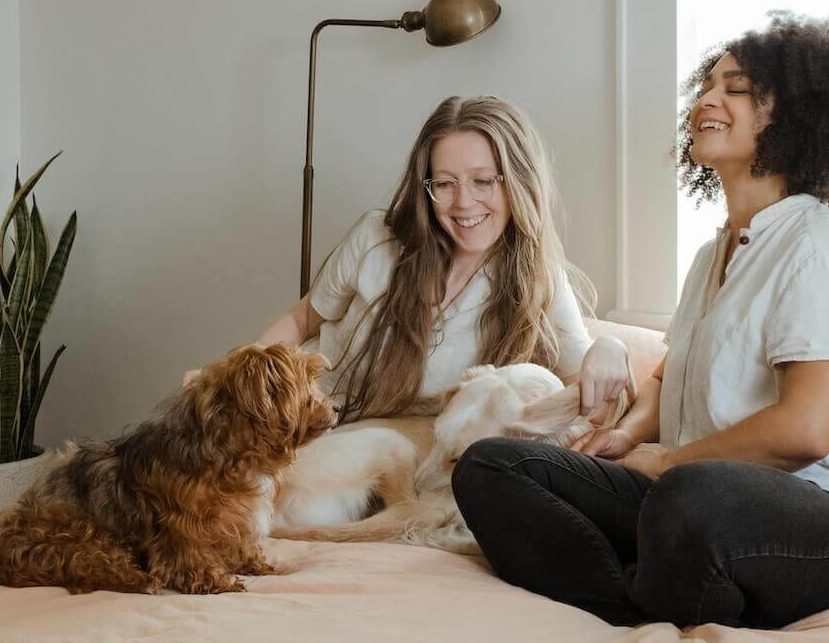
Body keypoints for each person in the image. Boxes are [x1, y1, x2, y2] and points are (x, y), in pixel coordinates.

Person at [454, 14, 829, 629]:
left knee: (688, 498)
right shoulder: (716, 254)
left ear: (795, 115)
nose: (706, 98)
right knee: (494, 466)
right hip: (703, 496)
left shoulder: (819, 250)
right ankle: (633, 605)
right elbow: (669, 374)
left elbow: (808, 429)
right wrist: (626, 437)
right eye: (707, 85)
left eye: (735, 88)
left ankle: (665, 582)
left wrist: (670, 462)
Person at [218, 95, 632, 422]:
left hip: (404, 451)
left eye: (483, 181)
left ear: (518, 183)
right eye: (445, 184)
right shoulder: (376, 239)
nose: (463, 203)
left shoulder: (537, 279)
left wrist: (612, 347)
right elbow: (302, 320)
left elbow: (585, 386)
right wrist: (230, 378)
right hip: (310, 421)